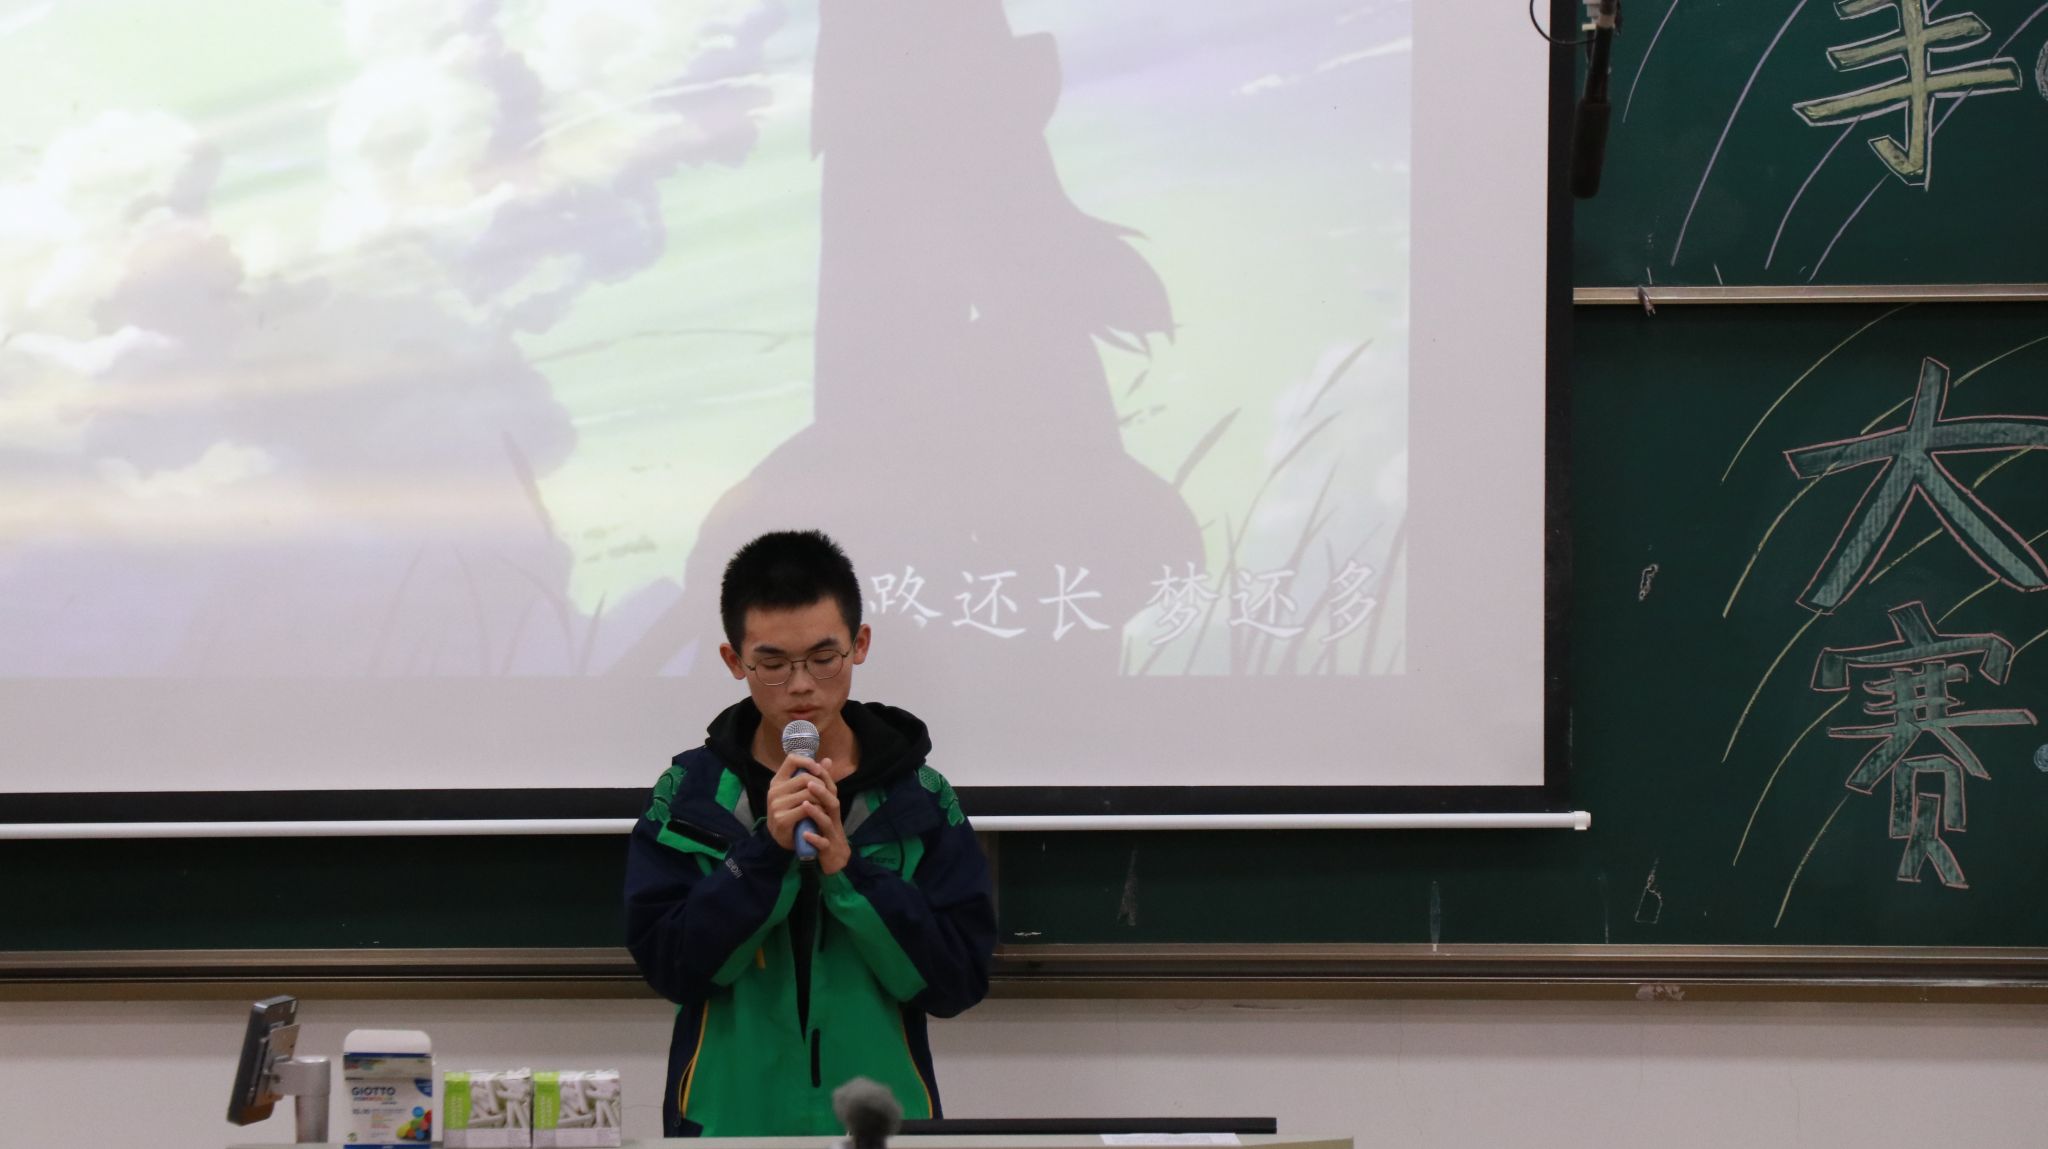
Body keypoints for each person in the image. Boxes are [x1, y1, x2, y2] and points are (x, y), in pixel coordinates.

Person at [624, 529, 996, 1138]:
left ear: (860, 644)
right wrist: (763, 854)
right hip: (728, 1119)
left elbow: (956, 980)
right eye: (773, 664)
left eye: (824, 659)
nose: (801, 685)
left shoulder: (919, 798)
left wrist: (850, 872)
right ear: (734, 661)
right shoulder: (690, 794)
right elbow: (671, 968)